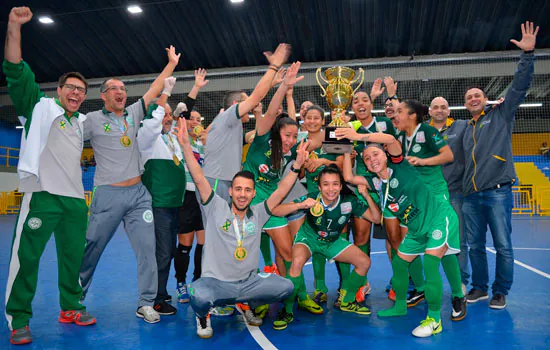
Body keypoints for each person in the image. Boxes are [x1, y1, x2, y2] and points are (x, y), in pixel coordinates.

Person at [4, 7, 96, 345]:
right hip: (42, 195)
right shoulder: (39, 107)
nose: (75, 93)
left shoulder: (81, 123)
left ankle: (70, 307)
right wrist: (14, 26)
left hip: (74, 201)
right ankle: (19, 319)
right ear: (59, 90)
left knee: (72, 260)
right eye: (70, 88)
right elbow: (15, 68)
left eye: (81, 90)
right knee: (27, 259)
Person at [175, 118, 309, 339]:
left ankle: (247, 304)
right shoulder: (214, 206)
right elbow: (199, 178)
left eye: (247, 190)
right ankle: (204, 316)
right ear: (230, 192)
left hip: (248, 283)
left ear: (254, 193)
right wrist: (185, 146)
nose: (242, 194)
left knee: (285, 287)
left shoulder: (259, 212)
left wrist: (296, 165)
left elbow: (282, 189)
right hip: (217, 283)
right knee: (197, 294)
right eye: (238, 189)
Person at [79, 45, 181, 324]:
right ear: (103, 95)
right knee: (92, 247)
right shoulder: (92, 121)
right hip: (108, 193)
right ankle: (74, 299)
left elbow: (154, 88)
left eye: (123, 88)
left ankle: (146, 303)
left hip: (138, 195)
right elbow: (69, 138)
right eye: (114, 88)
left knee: (148, 249)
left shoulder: (135, 113)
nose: (120, 91)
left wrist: (170, 65)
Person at [337, 128, 467, 338]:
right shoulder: (376, 183)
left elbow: (389, 139)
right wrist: (345, 150)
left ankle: (434, 319)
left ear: (386, 155)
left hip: (437, 218)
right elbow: (348, 177)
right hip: (417, 229)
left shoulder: (400, 166)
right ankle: (400, 306)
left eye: (376, 154)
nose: (371, 159)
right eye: (367, 158)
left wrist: (358, 137)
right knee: (399, 262)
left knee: (431, 264)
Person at [462, 21, 539, 309]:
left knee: (503, 246)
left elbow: (520, 86)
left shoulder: (501, 115)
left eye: (477, 95)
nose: (473, 98)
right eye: (469, 97)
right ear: (466, 103)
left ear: (486, 99)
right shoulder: (464, 128)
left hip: (497, 192)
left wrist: (528, 55)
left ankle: (500, 291)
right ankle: (480, 288)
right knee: (475, 247)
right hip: (471, 195)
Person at [243, 62, 324, 314]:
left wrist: (306, 162)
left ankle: (295, 295)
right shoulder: (260, 142)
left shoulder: (292, 154)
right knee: (259, 256)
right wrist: (284, 88)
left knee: (290, 251)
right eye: (287, 135)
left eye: (294, 136)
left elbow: (322, 138)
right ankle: (263, 296)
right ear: (276, 133)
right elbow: (268, 115)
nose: (290, 140)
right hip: (254, 207)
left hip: (279, 205)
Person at [271, 165, 381, 330]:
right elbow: (276, 210)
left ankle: (347, 301)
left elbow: (376, 218)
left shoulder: (349, 202)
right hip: (308, 239)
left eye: (335, 184)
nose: (331, 189)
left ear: (341, 186)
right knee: (296, 264)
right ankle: (286, 310)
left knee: (364, 262)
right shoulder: (312, 198)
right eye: (326, 184)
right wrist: (300, 205)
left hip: (332, 241)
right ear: (320, 186)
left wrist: (366, 195)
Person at [138, 69, 208, 315]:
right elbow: (160, 115)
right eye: (165, 114)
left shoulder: (172, 140)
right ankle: (153, 298)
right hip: (159, 205)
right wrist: (165, 91)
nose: (169, 118)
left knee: (167, 251)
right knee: (163, 251)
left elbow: (182, 115)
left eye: (170, 115)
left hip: (175, 204)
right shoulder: (149, 138)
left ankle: (160, 295)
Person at [429, 96, 469, 294]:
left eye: (443, 107)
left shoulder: (461, 126)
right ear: (429, 111)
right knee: (427, 239)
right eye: (435, 107)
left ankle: (460, 282)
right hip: (429, 196)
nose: (439, 110)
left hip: (454, 192)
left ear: (449, 111)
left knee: (459, 239)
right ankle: (428, 283)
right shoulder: (422, 131)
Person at [174, 109, 207, 303]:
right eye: (191, 119)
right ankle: (181, 283)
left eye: (198, 119)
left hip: (201, 197)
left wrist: (207, 142)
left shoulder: (202, 145)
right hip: (186, 196)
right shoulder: (179, 140)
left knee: (204, 243)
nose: (195, 122)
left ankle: (198, 280)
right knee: (185, 244)